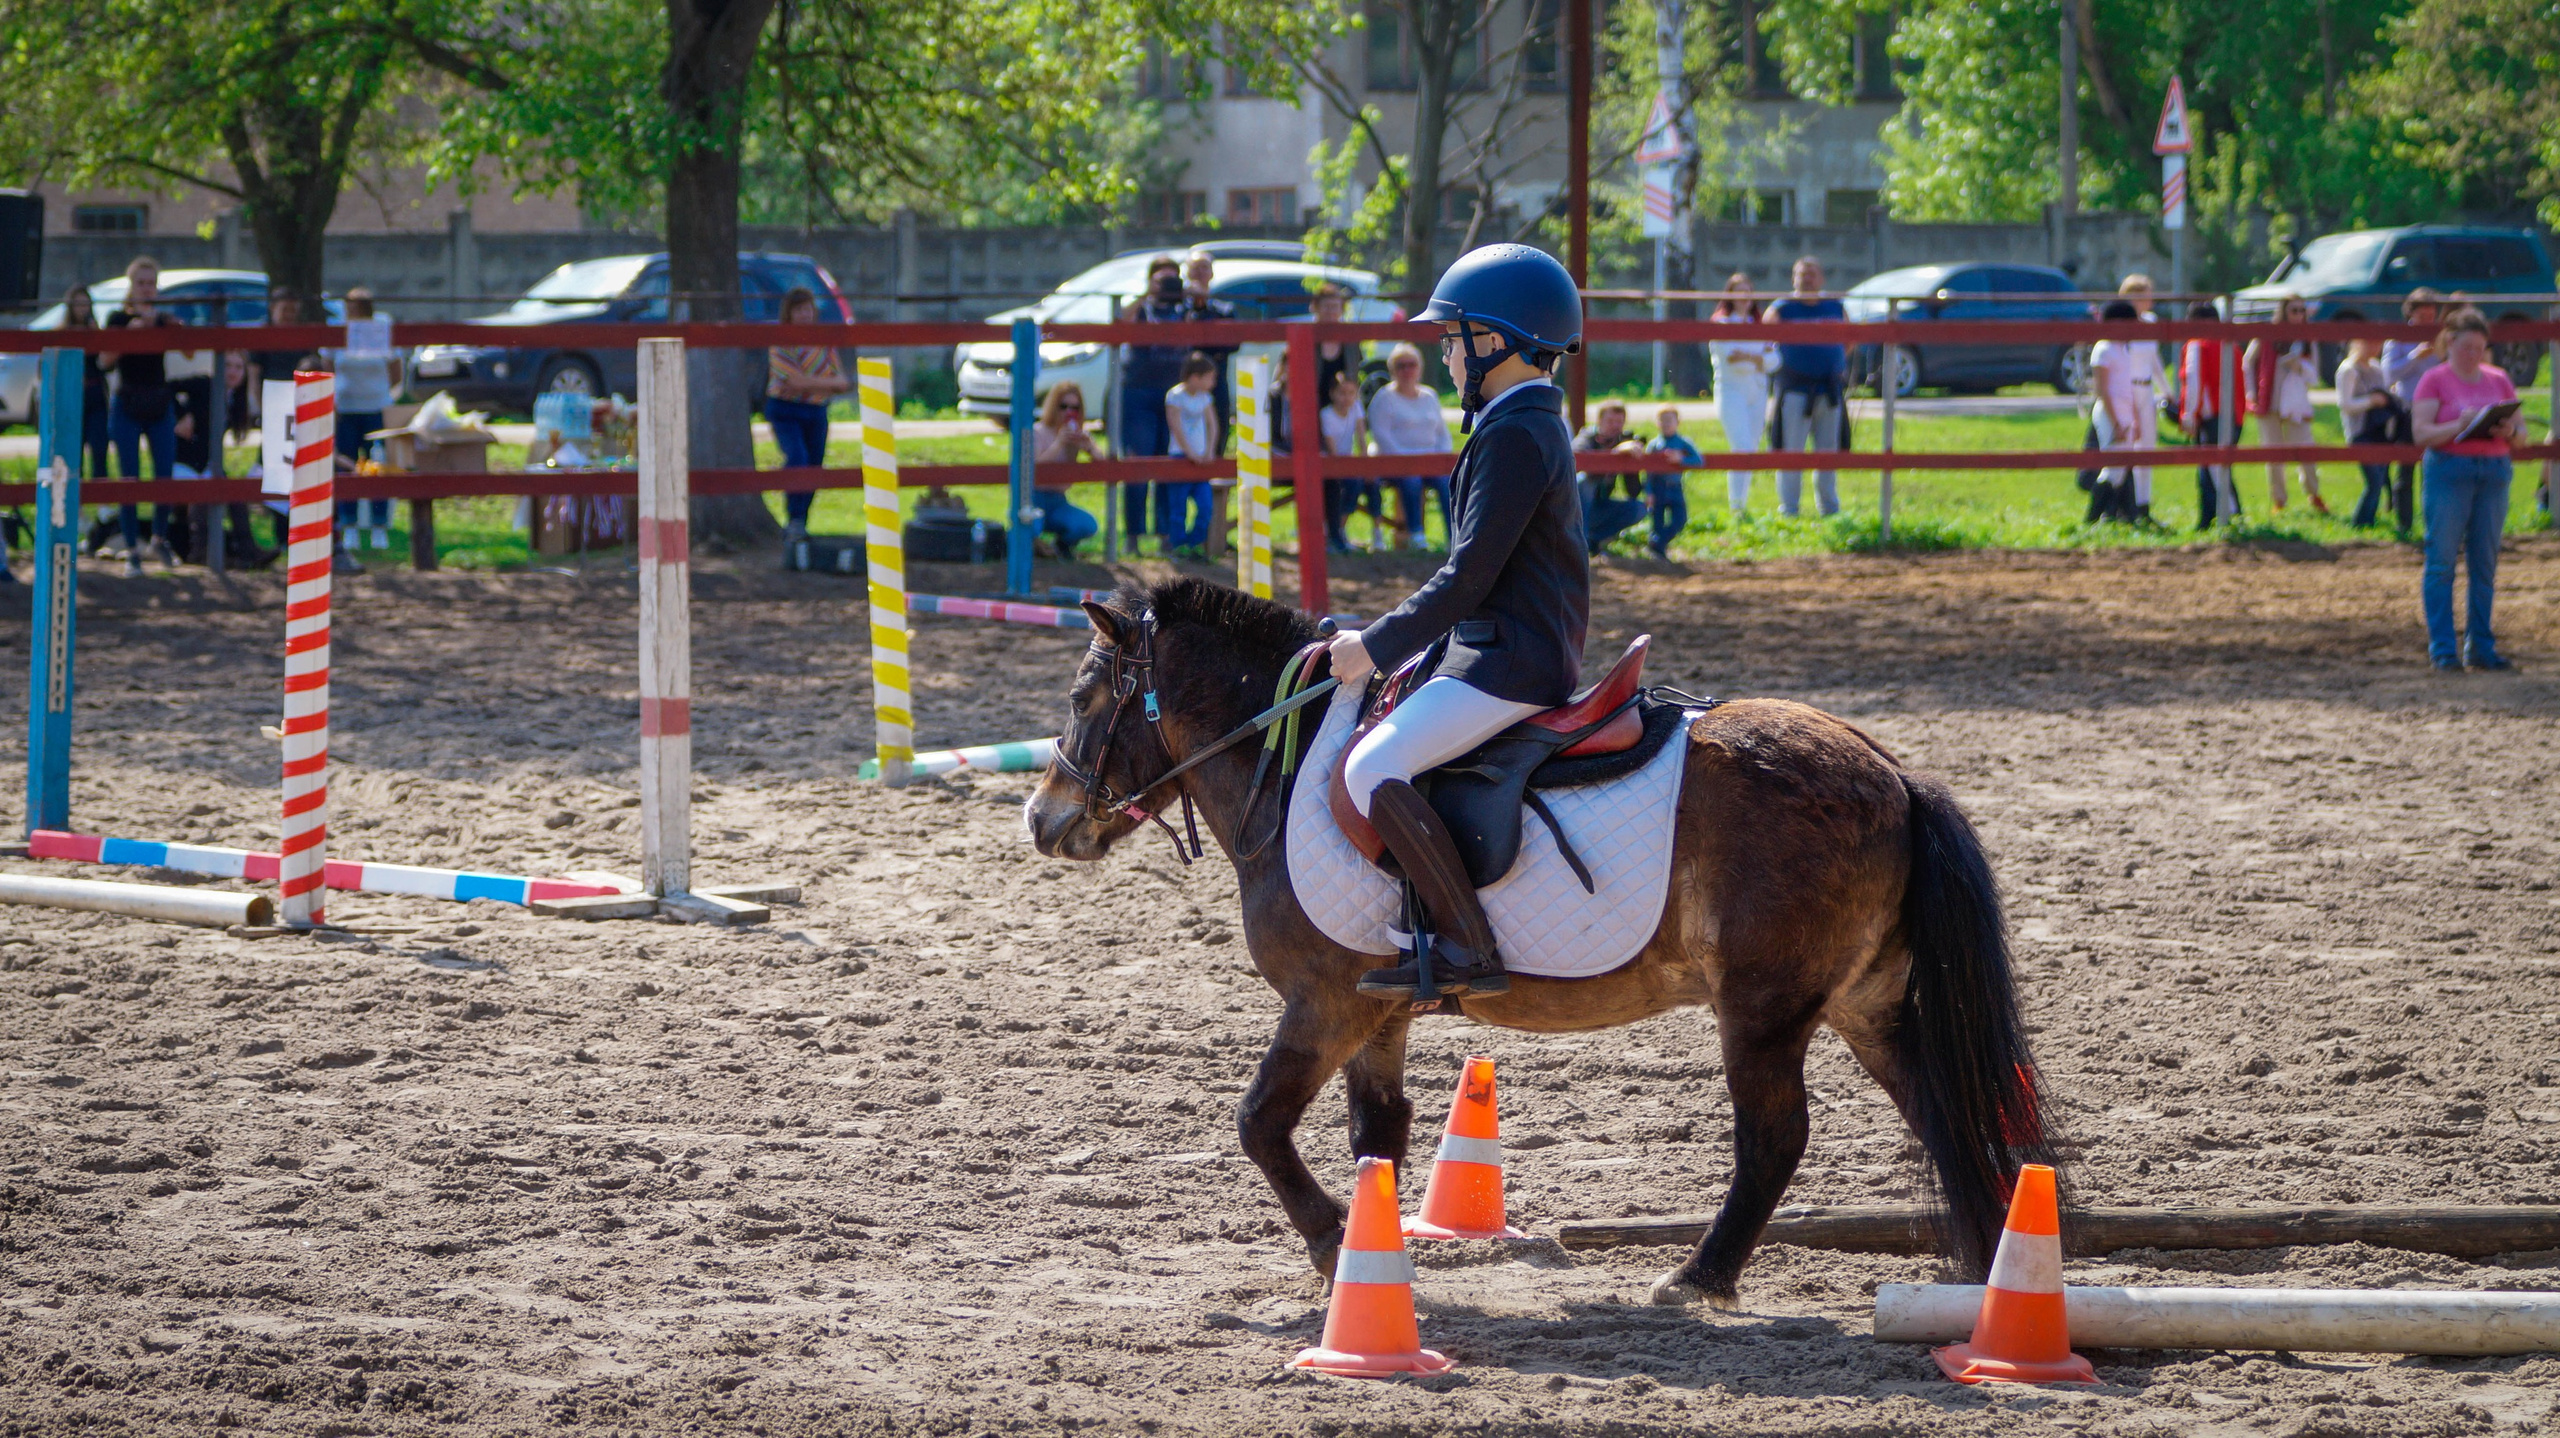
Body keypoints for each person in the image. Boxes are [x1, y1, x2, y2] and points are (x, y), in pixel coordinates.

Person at [1324, 242, 1588, 1002]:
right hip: (1499, 648)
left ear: (1496, 341)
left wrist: (1373, 646)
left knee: (1370, 768)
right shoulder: (1525, 420)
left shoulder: (1514, 434)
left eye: (1451, 337)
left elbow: (1469, 575)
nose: (1441, 352)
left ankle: (1465, 944)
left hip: (1509, 662)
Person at [2410, 309, 2519, 671]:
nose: (2473, 354)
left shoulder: (2499, 378)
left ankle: (2480, 645)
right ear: (2450, 343)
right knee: (2441, 561)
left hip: (2493, 470)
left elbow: (2521, 433)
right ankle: (2443, 648)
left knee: (2484, 563)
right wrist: (2458, 425)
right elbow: (2421, 433)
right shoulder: (2434, 380)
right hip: (2450, 471)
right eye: (2467, 346)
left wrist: (2508, 432)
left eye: (2479, 347)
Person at [105, 257, 184, 576]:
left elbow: (191, 350)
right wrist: (132, 332)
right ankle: (132, 549)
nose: (146, 288)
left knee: (164, 473)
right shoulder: (116, 318)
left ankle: (159, 538)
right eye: (141, 283)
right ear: (131, 285)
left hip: (159, 402)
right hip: (127, 402)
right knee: (129, 477)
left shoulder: (164, 320)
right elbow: (105, 361)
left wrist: (175, 327)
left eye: (151, 283)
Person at [1114, 255, 1190, 549]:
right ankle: (1132, 536)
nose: (1168, 287)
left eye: (1173, 280)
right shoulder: (1142, 308)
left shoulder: (1184, 309)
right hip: (1139, 394)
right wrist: (1149, 294)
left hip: (1174, 395)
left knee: (1168, 465)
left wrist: (1188, 295)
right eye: (1162, 281)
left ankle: (1164, 536)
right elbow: (1121, 320)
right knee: (1137, 463)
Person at [322, 287, 404, 556]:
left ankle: (379, 525)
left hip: (376, 407)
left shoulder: (382, 327)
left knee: (378, 465)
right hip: (346, 408)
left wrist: (383, 394)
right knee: (346, 465)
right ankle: (350, 525)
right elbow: (328, 365)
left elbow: (395, 368)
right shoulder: (337, 329)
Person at [765, 285, 849, 546]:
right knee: (797, 458)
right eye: (798, 310)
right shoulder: (781, 341)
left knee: (815, 466)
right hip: (785, 409)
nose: (804, 315)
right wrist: (824, 383)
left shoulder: (823, 340)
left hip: (816, 410)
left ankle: (802, 521)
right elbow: (792, 382)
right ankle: (793, 519)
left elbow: (843, 382)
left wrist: (812, 383)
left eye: (808, 309)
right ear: (788, 314)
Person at [1768, 255, 1845, 517]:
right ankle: (1789, 510)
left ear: (1821, 278)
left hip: (1829, 391)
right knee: (1791, 453)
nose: (1808, 278)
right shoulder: (1781, 308)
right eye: (1802, 274)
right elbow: (1765, 341)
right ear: (1794, 278)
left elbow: (1850, 339)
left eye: (1812, 273)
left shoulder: (1835, 306)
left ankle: (1830, 509)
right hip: (1795, 390)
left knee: (1828, 454)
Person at [1367, 342, 1452, 550]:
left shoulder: (1429, 396)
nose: (1407, 370)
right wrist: (1408, 461)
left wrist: (1441, 458)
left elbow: (1442, 434)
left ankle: (1454, 537)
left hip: (1430, 461)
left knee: (1448, 482)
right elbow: (1382, 436)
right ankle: (1416, 534)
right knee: (1411, 480)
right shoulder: (1384, 398)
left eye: (1411, 364)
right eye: (1401, 366)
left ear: (1419, 368)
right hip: (1395, 463)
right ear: (1393, 370)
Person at [2244, 296, 2325, 514]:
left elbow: (2314, 374)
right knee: (2273, 455)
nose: (2298, 315)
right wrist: (2250, 391)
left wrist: (2300, 366)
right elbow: (2248, 362)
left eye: (2302, 310)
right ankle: (2279, 500)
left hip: (2296, 404)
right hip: (2269, 401)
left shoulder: (2308, 338)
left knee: (2305, 451)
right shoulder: (2266, 333)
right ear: (2283, 312)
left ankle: (2314, 493)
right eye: (2294, 310)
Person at [2087, 299, 2164, 524]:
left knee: (2119, 470)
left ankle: (2108, 516)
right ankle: (2092, 518)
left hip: (2125, 413)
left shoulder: (2122, 348)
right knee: (2113, 468)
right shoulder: (2103, 348)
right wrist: (2116, 421)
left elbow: (2127, 387)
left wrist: (2135, 419)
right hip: (2111, 413)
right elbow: (2102, 389)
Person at [1309, 284, 1373, 552]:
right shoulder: (1307, 335)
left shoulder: (1350, 339)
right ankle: (1321, 532)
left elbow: (1354, 376)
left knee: (1346, 473)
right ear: (1315, 309)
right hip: (1310, 413)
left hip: (1340, 412)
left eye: (1336, 307)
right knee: (1322, 473)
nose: (1332, 311)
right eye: (1327, 306)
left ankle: (1337, 532)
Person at [2381, 287, 2444, 535]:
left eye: (2432, 316)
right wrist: (2416, 356)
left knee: (2436, 469)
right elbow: (2389, 374)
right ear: (2411, 314)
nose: (2428, 321)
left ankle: (2435, 523)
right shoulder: (2397, 338)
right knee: (2405, 469)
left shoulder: (2441, 336)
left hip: (2437, 411)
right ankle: (2404, 525)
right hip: (2408, 409)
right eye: (2423, 316)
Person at [1708, 273, 1772, 514]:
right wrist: (1758, 358)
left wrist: (1751, 357)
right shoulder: (1722, 323)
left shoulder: (1759, 325)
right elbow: (1732, 360)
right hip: (1731, 390)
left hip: (1757, 390)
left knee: (1751, 448)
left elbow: (1775, 360)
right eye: (1739, 291)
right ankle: (1736, 508)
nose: (1744, 296)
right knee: (1741, 446)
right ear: (1730, 295)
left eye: (1748, 290)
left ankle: (1742, 505)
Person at [2178, 300, 2243, 529]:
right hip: (2233, 414)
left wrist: (2188, 414)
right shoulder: (2230, 344)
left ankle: (2232, 517)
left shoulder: (2197, 344)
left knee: (2213, 471)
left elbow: (2194, 381)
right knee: (2215, 469)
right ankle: (2209, 519)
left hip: (2211, 414)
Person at [1027, 381, 1102, 559]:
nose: (1069, 412)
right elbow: (1034, 468)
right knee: (1030, 526)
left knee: (1087, 525)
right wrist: (1059, 444)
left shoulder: (1077, 433)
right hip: (1034, 498)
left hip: (1058, 501)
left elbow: (1104, 464)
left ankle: (1061, 547)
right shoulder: (1037, 431)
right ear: (1053, 406)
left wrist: (1089, 447)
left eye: (1075, 408)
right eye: (1063, 406)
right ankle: (1033, 550)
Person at [2335, 336, 2403, 530]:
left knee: (2380, 478)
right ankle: (2360, 522)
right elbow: (2345, 404)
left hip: (2379, 431)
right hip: (2359, 433)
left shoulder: (2376, 368)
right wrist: (2371, 401)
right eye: (2370, 342)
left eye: (2377, 342)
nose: (2375, 347)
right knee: (2374, 481)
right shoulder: (2348, 369)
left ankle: (2368, 521)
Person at [1159, 351, 1220, 557]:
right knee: (1178, 509)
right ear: (1195, 377)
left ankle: (1195, 544)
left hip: (1202, 459)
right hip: (1179, 456)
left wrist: (1209, 450)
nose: (1213, 382)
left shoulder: (1205, 398)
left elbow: (1212, 425)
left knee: (1205, 505)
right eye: (1210, 377)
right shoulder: (1175, 396)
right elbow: (1175, 426)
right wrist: (1189, 452)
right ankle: (1178, 546)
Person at [1318, 368, 1383, 551]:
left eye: (1351, 393)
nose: (1346, 398)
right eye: (1341, 393)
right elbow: (1332, 449)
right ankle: (1338, 530)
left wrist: (1365, 465)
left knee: (1372, 482)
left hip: (1349, 460)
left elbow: (1362, 440)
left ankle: (1378, 533)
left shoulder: (1356, 408)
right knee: (1352, 484)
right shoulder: (1326, 415)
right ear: (1332, 394)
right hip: (1332, 461)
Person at [1573, 399, 1646, 552]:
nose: (1615, 426)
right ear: (1599, 421)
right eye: (1610, 421)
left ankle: (1594, 541)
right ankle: (1580, 545)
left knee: (1638, 509)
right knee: (1584, 481)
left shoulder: (1625, 442)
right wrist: (1614, 454)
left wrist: (1631, 461)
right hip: (1573, 512)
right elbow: (1578, 459)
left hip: (1600, 506)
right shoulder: (1586, 438)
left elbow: (1633, 491)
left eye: (1619, 422)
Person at [1644, 405, 1701, 558]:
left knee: (1680, 520)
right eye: (1662, 420)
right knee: (1657, 522)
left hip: (1675, 486)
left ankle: (1657, 544)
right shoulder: (1654, 445)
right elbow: (1648, 471)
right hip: (1658, 487)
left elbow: (1698, 460)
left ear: (1678, 422)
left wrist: (1681, 459)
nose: (1666, 423)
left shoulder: (1683, 442)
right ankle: (1658, 553)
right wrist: (1648, 492)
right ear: (1657, 423)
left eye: (1670, 420)